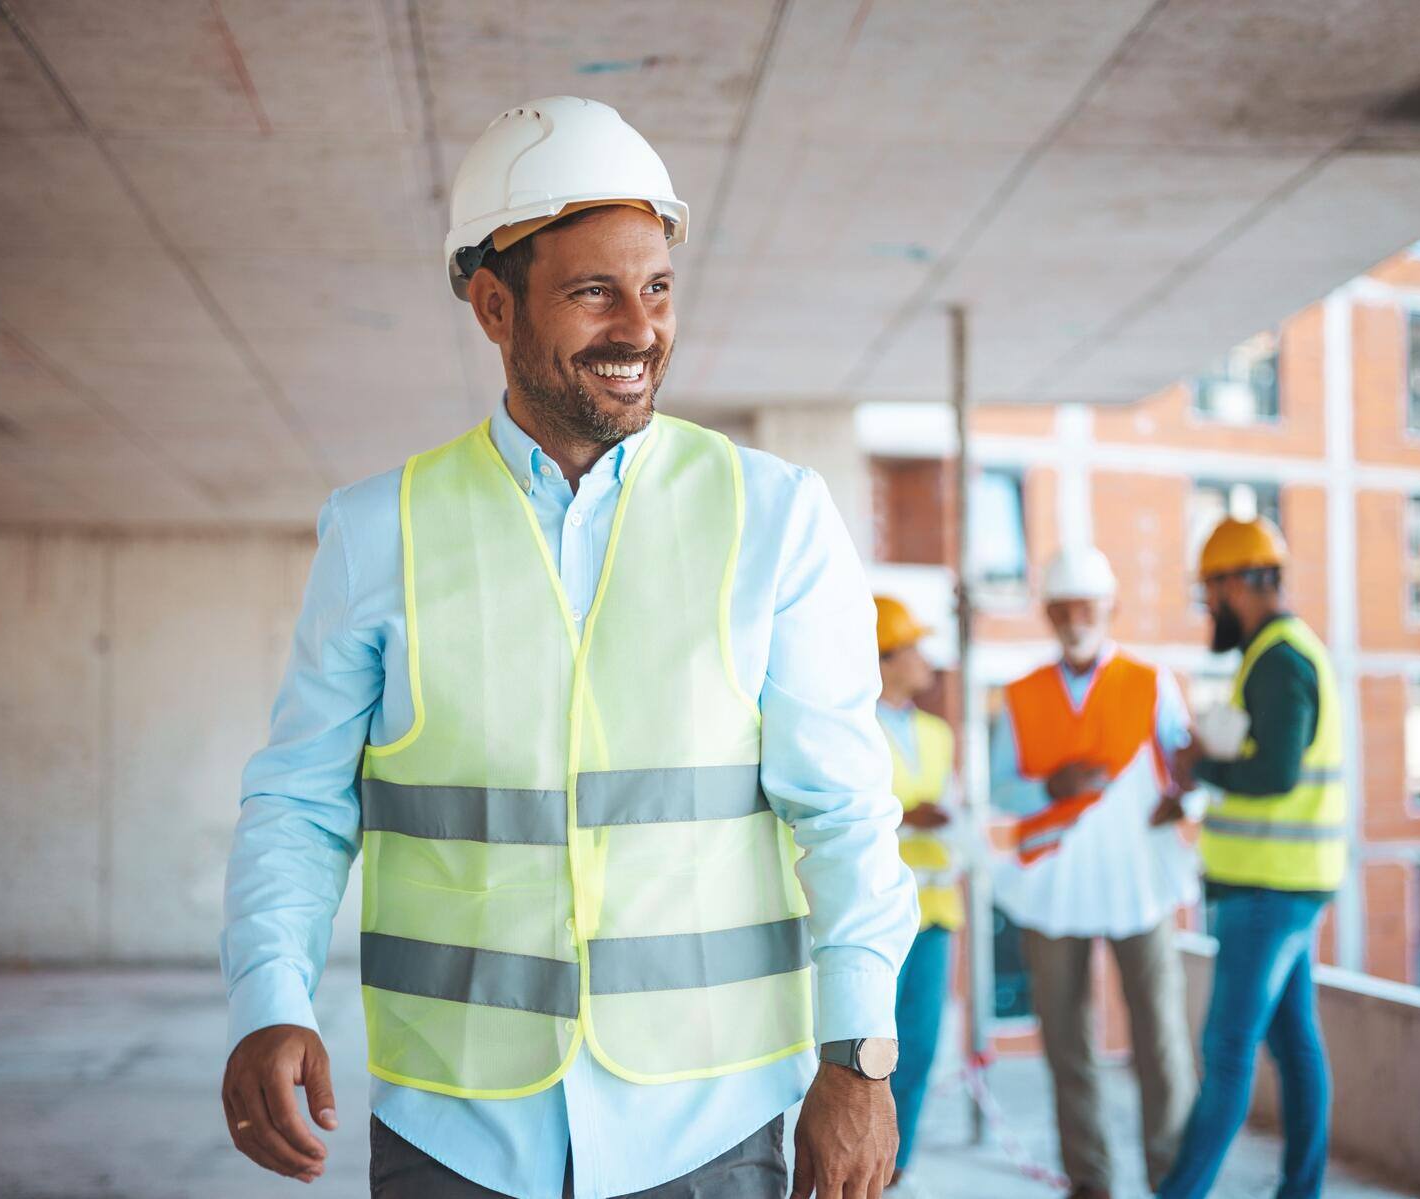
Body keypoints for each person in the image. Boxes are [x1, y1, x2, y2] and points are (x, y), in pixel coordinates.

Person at [217, 96, 918, 1199]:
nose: (638, 329)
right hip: (452, 1127)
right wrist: (270, 996)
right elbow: (301, 802)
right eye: (594, 290)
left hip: (708, 1121)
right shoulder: (375, 530)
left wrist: (859, 1054)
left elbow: (845, 811)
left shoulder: (773, 514)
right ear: (494, 306)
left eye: (658, 288)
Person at [990, 546, 1200, 1198]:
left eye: (1089, 605)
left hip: (1137, 881)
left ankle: (1174, 1178)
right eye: (1065, 607)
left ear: (1109, 608)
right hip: (1051, 885)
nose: (1077, 616)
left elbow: (1187, 769)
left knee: (1160, 1038)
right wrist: (1048, 786)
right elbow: (999, 786)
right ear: (1049, 613)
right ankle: (1091, 1182)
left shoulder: (1151, 681)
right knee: (1066, 1041)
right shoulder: (1022, 694)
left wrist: (1184, 799)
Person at [1158, 516, 1345, 1199]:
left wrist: (1200, 764)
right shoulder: (1279, 653)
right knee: (1295, 1047)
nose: (1210, 604)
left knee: (1229, 1054)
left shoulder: (1279, 659)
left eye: (1212, 589)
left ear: (1240, 580)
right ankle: (1302, 1191)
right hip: (1283, 886)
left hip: (1269, 891)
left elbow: (1275, 774)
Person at [872, 596, 960, 1196]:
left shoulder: (937, 733)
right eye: (914, 648)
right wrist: (909, 818)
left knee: (921, 1047)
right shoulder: (853, 725)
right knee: (873, 1050)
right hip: (879, 917)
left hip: (935, 914)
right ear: (885, 658)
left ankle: (896, 1165)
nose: (926, 659)